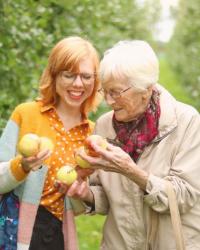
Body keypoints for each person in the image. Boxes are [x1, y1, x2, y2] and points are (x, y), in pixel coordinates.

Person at [69, 40, 200, 250]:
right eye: (105, 91)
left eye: (117, 92)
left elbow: (184, 196)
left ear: (146, 90)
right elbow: (107, 195)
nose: (109, 101)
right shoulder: (104, 126)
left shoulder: (186, 122)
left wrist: (132, 171)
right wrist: (86, 194)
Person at [0, 36, 100, 250]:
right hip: (14, 227)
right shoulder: (26, 114)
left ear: (95, 80)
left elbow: (80, 207)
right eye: (69, 75)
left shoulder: (92, 134)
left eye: (86, 76)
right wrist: (24, 165)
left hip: (56, 233)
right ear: (54, 76)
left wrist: (79, 191)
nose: (78, 84)